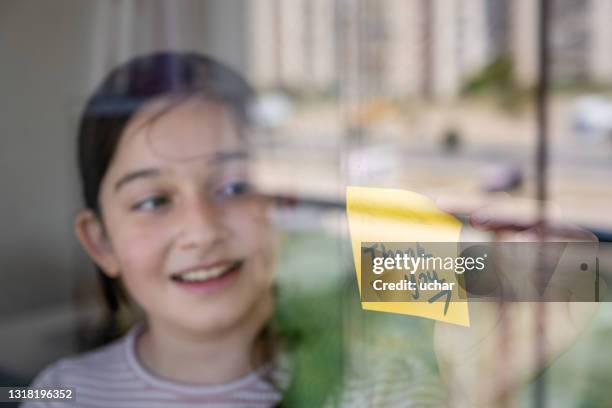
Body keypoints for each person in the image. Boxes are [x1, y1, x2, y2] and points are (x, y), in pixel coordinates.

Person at [22, 51, 446, 408]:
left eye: (235, 187)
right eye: (153, 201)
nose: (202, 230)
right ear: (101, 242)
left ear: (283, 204)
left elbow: (489, 276)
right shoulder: (63, 395)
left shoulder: (381, 385)